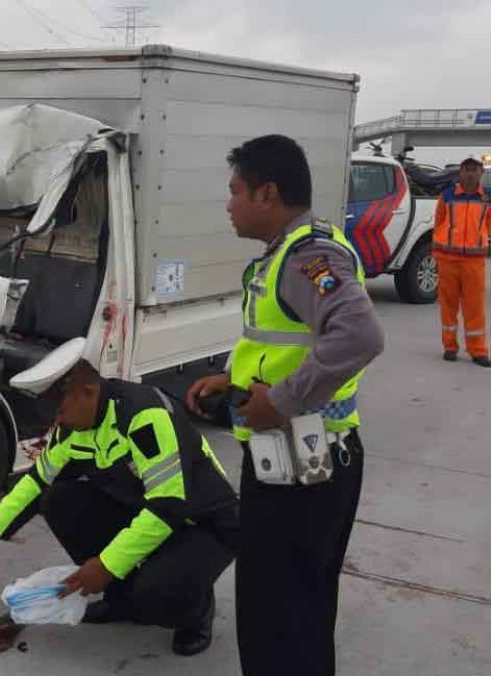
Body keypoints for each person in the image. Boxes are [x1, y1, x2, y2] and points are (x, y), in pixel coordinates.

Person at [186, 135, 384, 676]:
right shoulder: (292, 252)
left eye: (235, 192)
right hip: (301, 457)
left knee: (279, 611)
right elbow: (290, 343)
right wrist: (231, 378)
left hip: (302, 463)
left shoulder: (308, 258)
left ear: (267, 194)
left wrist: (281, 400)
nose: (228, 205)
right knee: (298, 604)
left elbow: (360, 335)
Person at [0, 338, 239, 657]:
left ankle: (195, 612)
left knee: (155, 595)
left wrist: (106, 565)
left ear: (87, 391)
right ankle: (119, 601)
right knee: (60, 499)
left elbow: (168, 507)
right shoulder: (73, 426)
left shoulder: (144, 416)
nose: (57, 422)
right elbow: (38, 481)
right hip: (146, 511)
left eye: (59, 410)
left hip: (203, 523)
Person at [432, 157, 491, 367]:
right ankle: (449, 347)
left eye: (474, 169)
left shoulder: (487, 198)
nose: (470, 173)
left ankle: (478, 351)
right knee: (448, 305)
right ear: (460, 172)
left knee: (474, 307)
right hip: (448, 260)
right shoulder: (447, 196)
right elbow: (438, 222)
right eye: (466, 169)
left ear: (480, 172)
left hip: (474, 262)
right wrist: (437, 252)